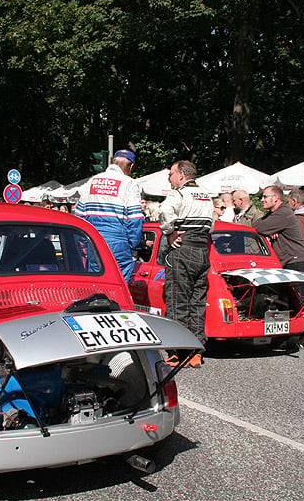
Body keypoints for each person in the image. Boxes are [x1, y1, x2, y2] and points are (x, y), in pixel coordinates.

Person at [159, 160, 213, 368]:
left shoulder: (179, 193)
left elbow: (165, 211)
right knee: (197, 302)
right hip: (202, 250)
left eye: (171, 174)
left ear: (181, 175)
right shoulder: (206, 195)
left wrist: (170, 232)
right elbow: (212, 224)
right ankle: (196, 352)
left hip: (182, 248)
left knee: (177, 300)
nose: (169, 178)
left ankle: (177, 352)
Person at [253, 185, 304, 348]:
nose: (262, 199)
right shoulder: (277, 215)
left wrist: (267, 228)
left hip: (297, 261)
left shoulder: (283, 213)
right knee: (287, 301)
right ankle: (290, 336)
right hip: (289, 261)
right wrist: (268, 228)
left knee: (300, 301)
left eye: (265, 196)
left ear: (276, 198)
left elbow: (258, 227)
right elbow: (259, 223)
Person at [75, 149, 143, 281]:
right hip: (118, 242)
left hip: (93, 241)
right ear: (131, 166)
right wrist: (133, 247)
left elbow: (78, 216)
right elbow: (135, 219)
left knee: (96, 283)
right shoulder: (129, 183)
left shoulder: (92, 181)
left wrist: (84, 243)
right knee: (118, 284)